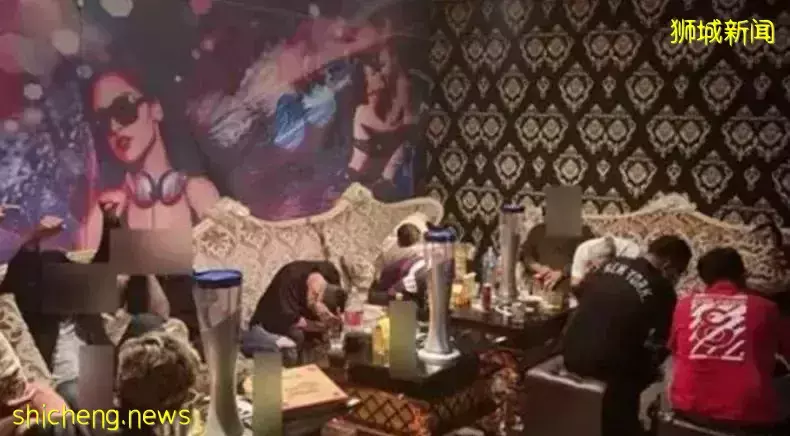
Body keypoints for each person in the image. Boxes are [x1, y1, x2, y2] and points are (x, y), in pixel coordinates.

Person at [562, 235, 692, 436]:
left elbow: (582, 292)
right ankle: (626, 427)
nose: (677, 279)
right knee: (651, 368)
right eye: (679, 273)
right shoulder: (664, 289)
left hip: (569, 351)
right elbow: (663, 341)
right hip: (605, 367)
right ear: (668, 265)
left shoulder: (611, 264)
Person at [79, 70, 220, 250]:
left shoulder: (199, 195)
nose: (114, 127)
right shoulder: (103, 216)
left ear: (155, 109)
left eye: (123, 109)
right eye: (103, 121)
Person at [669, 247, 790, 434]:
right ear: (742, 275)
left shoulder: (684, 305)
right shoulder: (767, 308)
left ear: (703, 279)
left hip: (687, 409)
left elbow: (674, 349)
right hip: (749, 416)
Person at [249, 261, 346, 346]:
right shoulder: (288, 280)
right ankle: (257, 350)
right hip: (266, 327)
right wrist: (322, 327)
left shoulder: (329, 272)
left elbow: (339, 300)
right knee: (294, 339)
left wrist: (339, 316)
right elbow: (293, 321)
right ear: (315, 296)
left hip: (301, 319)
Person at [520, 222, 595, 293]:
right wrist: (539, 268)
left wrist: (562, 273)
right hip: (540, 290)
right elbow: (526, 255)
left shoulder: (583, 231)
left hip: (570, 290)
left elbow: (589, 259)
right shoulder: (538, 230)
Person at [570, 235, 642, 288]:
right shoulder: (583, 250)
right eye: (592, 263)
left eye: (598, 266)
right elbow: (576, 279)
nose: (595, 267)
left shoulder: (631, 253)